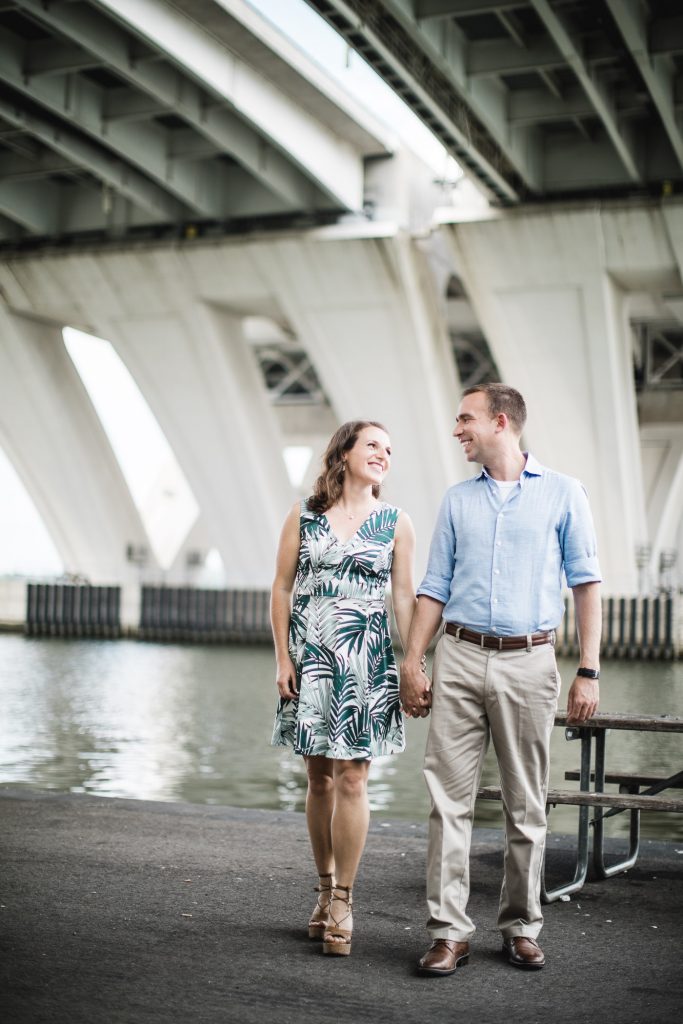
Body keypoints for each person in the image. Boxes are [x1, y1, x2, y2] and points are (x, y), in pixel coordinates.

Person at [400, 383, 602, 976]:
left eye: (466, 418)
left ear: (502, 421)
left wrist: (588, 670)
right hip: (458, 656)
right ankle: (447, 932)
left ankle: (520, 926)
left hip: (530, 659)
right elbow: (434, 587)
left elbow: (587, 584)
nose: (457, 429)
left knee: (525, 804)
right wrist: (414, 660)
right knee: (447, 801)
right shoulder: (458, 501)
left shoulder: (565, 494)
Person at [271, 420, 416, 957]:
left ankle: (344, 902)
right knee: (319, 780)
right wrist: (283, 657)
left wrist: (414, 662)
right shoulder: (304, 515)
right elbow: (282, 587)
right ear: (345, 452)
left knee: (353, 779)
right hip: (310, 659)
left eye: (389, 449)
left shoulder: (396, 522)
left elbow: (403, 600)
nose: (384, 454)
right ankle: (323, 887)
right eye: (374, 444)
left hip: (367, 663)